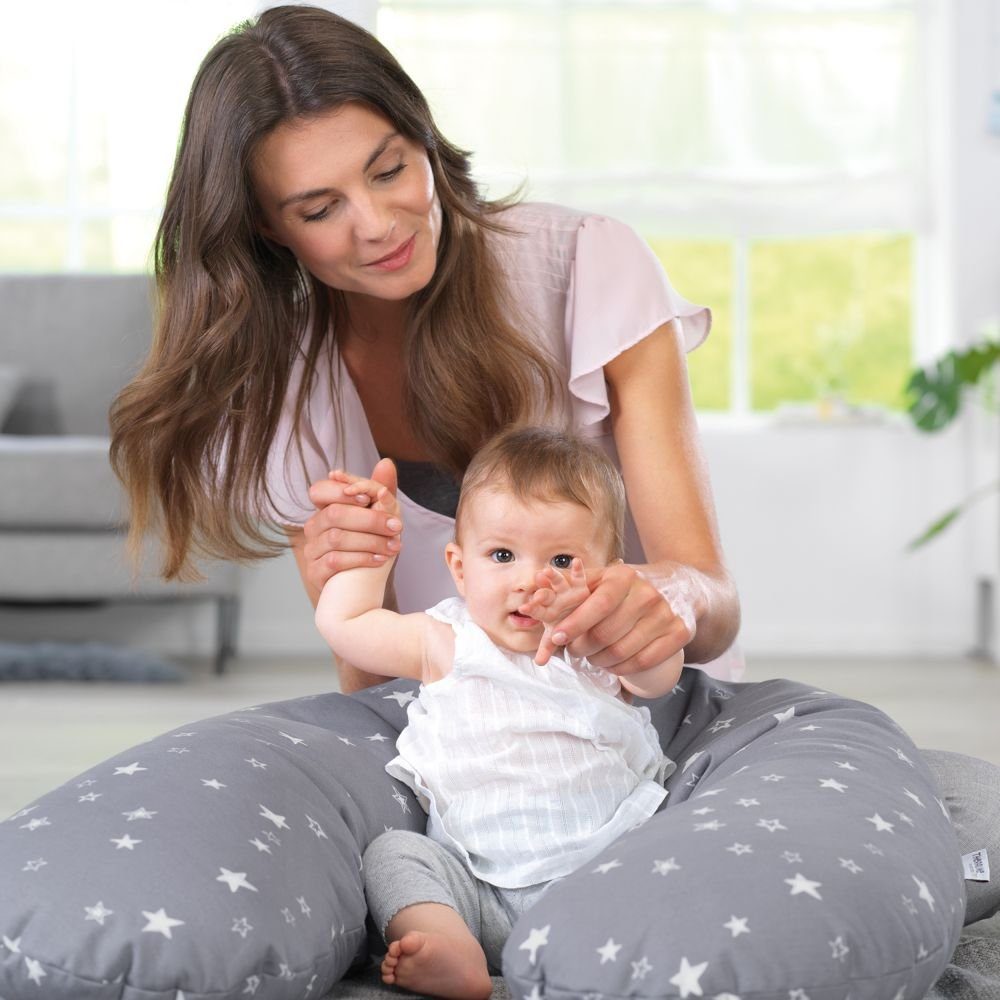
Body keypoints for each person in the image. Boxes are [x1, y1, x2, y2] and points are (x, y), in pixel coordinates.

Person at [108, 4, 999, 931]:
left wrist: (665, 605)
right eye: (320, 209)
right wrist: (346, 581)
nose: (377, 224)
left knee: (866, 856)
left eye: (389, 169)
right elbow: (379, 698)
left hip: (659, 728)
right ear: (266, 228)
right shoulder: (288, 382)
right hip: (478, 768)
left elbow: (712, 596)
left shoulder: (586, 265)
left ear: (425, 138)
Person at [316, 426, 683, 998]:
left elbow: (661, 675)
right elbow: (347, 626)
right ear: (460, 568)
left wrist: (604, 630)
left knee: (673, 858)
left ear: (606, 573)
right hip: (477, 890)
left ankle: (593, 969)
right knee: (395, 856)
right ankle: (449, 948)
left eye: (561, 559)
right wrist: (373, 555)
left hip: (600, 876)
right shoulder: (446, 641)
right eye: (503, 555)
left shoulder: (596, 644)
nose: (528, 581)